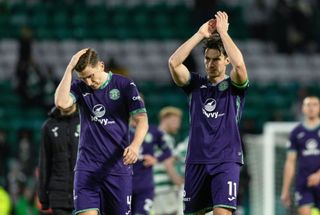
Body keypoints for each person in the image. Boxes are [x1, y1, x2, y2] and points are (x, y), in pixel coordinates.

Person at [168, 11, 249, 215]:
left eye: (216, 59)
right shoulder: (195, 85)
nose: (210, 64)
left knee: (222, 212)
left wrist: (222, 33)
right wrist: (199, 34)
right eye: (207, 59)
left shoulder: (234, 86)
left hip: (226, 159)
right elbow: (173, 63)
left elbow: (239, 64)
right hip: (196, 160)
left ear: (226, 61)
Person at [54, 48, 148, 215]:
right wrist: (69, 68)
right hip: (87, 167)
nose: (89, 82)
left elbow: (141, 120)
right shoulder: (80, 87)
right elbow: (61, 103)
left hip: (117, 168)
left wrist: (135, 146)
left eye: (91, 76)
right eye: (83, 78)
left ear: (101, 66)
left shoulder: (125, 85)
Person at [281, 96, 320, 215]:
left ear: (319, 108)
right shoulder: (296, 132)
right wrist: (285, 189)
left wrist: (319, 175)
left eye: (314, 104)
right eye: (308, 105)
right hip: (304, 182)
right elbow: (290, 162)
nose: (311, 108)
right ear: (303, 108)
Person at [38, 104, 79, 215]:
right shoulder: (49, 126)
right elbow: (44, 162)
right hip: (58, 195)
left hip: (84, 192)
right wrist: (43, 197)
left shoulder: (86, 121)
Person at [130, 118, 172, 215]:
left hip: (145, 185)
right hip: (125, 185)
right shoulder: (122, 131)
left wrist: (155, 159)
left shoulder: (153, 131)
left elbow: (168, 152)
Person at [153, 106, 185, 215]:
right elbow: (168, 164)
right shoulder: (165, 138)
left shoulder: (154, 135)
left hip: (155, 188)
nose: (178, 125)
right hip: (165, 189)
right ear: (165, 119)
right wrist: (179, 182)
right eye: (175, 121)